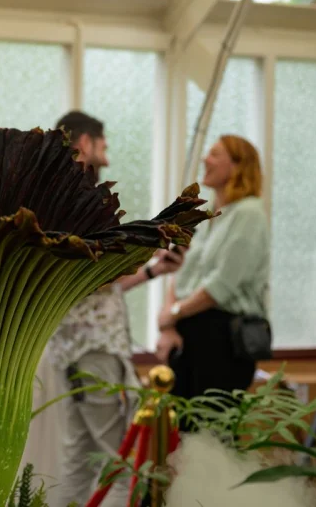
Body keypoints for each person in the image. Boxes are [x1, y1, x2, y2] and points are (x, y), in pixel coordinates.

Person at [43, 111, 185, 507]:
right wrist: (145, 249)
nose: (107, 152)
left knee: (78, 459)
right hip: (94, 353)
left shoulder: (50, 199)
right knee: (117, 463)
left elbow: (94, 283)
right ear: (85, 143)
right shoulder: (82, 201)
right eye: (102, 143)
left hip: (71, 349)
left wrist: (152, 269)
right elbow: (93, 277)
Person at [155, 134, 270, 402]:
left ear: (238, 166)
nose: (206, 159)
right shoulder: (211, 217)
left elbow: (221, 286)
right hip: (190, 334)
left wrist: (172, 314)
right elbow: (183, 273)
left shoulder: (249, 214)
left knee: (211, 433)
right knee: (184, 430)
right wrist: (169, 325)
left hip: (222, 338)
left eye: (216, 154)